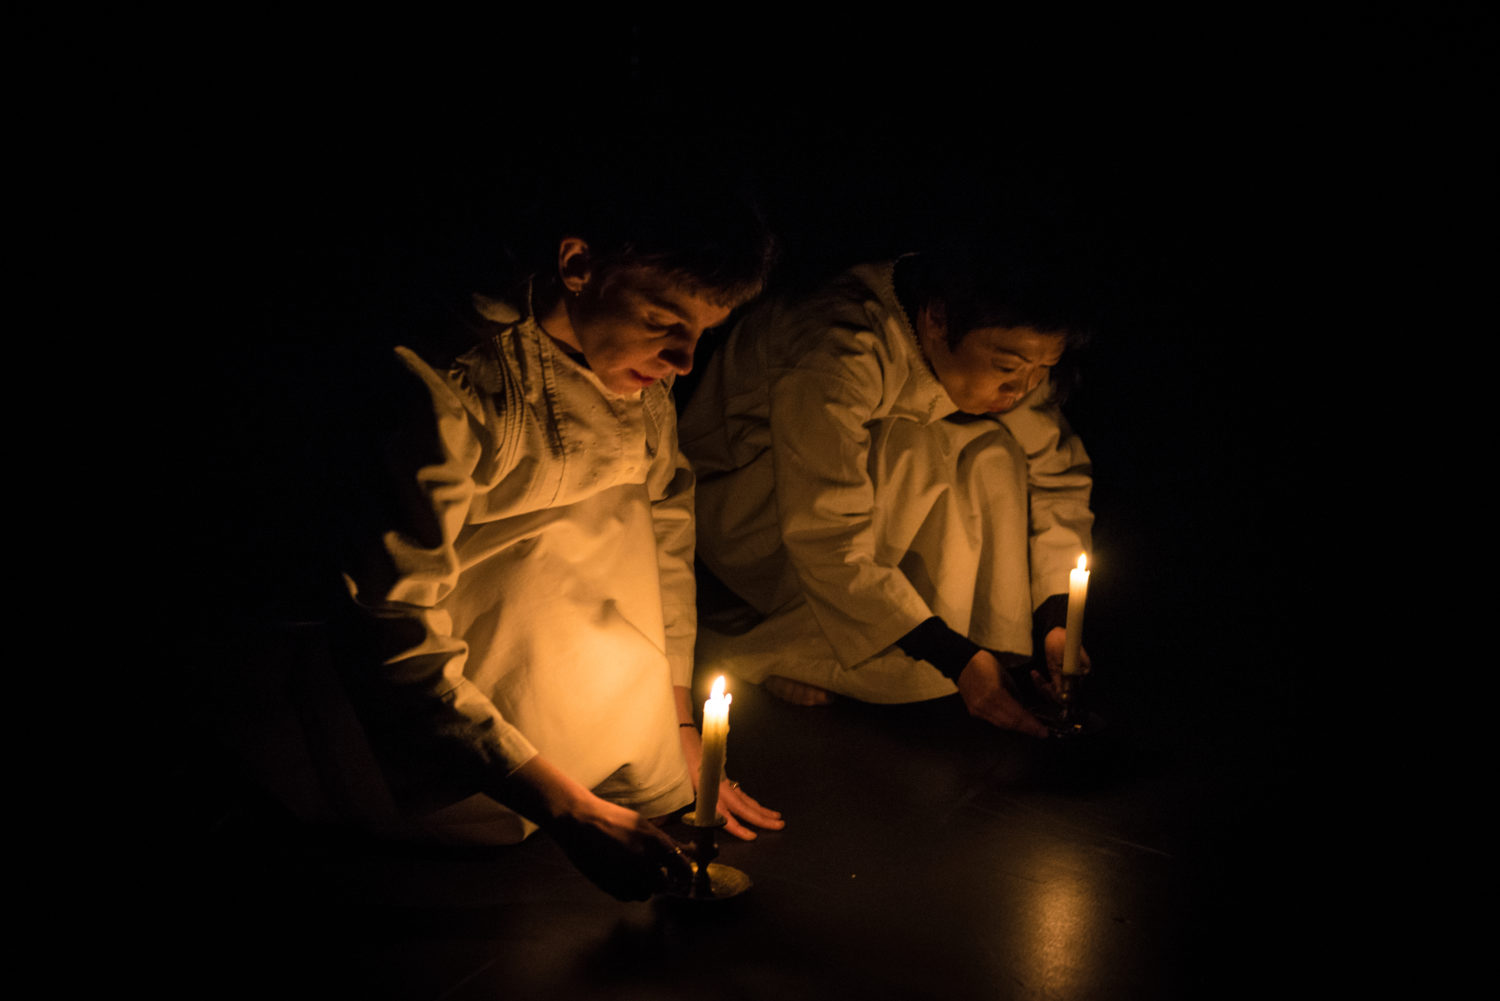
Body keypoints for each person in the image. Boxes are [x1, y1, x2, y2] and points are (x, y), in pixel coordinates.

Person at [208, 163, 783, 902]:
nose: (683, 362)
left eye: (702, 335)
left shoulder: (643, 378)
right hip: (459, 736)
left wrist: (678, 731)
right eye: (663, 324)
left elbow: (667, 529)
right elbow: (391, 626)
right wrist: (568, 809)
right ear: (578, 265)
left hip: (602, 717)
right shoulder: (450, 380)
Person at [679, 240, 1095, 737]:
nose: (1022, 388)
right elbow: (825, 528)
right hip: (756, 503)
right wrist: (949, 656)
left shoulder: (1008, 349)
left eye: (1042, 370)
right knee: (915, 451)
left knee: (994, 452)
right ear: (939, 318)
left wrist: (1054, 617)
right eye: (1007, 368)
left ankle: (959, 647)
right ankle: (770, 650)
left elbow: (1056, 470)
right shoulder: (838, 342)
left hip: (847, 511)